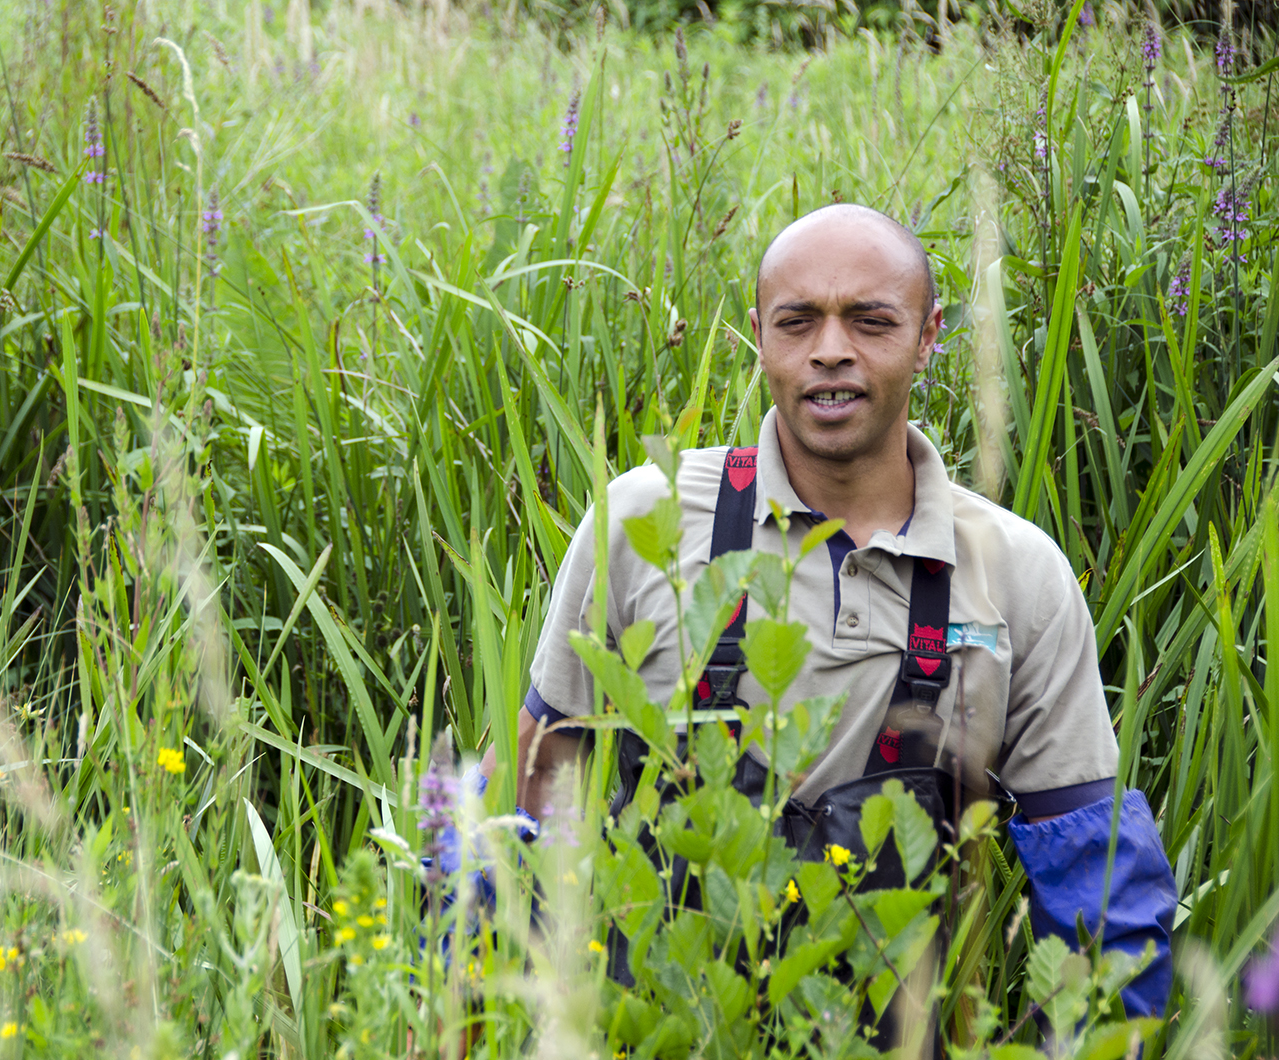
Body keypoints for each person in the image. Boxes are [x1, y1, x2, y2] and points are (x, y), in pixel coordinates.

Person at [474, 203, 1177, 1018]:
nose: (831, 350)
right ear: (759, 336)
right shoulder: (645, 523)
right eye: (798, 321)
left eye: (872, 321)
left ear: (929, 336)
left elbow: (1101, 894)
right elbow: (516, 813)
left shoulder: (1017, 574)